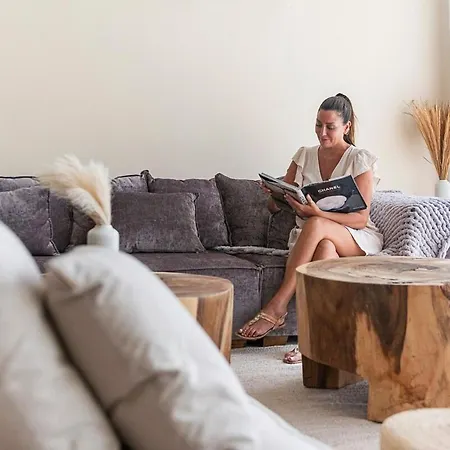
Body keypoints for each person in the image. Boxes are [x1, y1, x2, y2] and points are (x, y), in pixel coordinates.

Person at [235, 93, 384, 364]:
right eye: (318, 125)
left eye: (330, 127)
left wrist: (317, 213)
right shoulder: (303, 156)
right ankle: (314, 341)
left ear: (347, 127)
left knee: (317, 224)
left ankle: (277, 307)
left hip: (354, 236)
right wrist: (276, 195)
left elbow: (361, 219)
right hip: (311, 238)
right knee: (324, 246)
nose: (322, 133)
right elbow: (274, 208)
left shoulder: (360, 159)